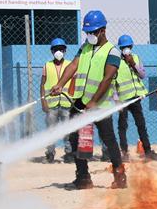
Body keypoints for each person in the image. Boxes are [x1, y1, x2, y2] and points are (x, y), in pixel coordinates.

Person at [48, 10, 127, 190]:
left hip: (100, 105)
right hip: (80, 102)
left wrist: (93, 102)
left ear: (103, 30)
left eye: (93, 32)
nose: (89, 35)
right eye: (87, 32)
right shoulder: (85, 47)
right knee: (75, 138)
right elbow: (74, 65)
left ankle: (120, 177)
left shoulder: (112, 51)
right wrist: (60, 84)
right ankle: (83, 177)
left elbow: (107, 78)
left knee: (109, 140)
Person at [114, 34, 157, 160]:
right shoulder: (116, 62)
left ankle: (148, 151)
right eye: (124, 47)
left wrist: (133, 64)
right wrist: (116, 100)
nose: (126, 49)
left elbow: (142, 75)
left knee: (141, 124)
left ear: (131, 47)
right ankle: (125, 153)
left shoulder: (136, 58)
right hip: (123, 99)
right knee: (122, 126)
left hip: (136, 97)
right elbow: (112, 82)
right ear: (121, 49)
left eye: (128, 46)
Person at [40, 38, 74, 163]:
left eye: (61, 49)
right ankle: (50, 154)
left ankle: (69, 154)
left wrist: (74, 100)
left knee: (68, 130)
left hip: (67, 103)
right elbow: (42, 84)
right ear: (52, 51)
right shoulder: (47, 66)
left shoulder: (70, 65)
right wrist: (43, 101)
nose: (58, 51)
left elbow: (74, 84)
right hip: (51, 104)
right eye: (56, 49)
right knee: (51, 130)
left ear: (65, 50)